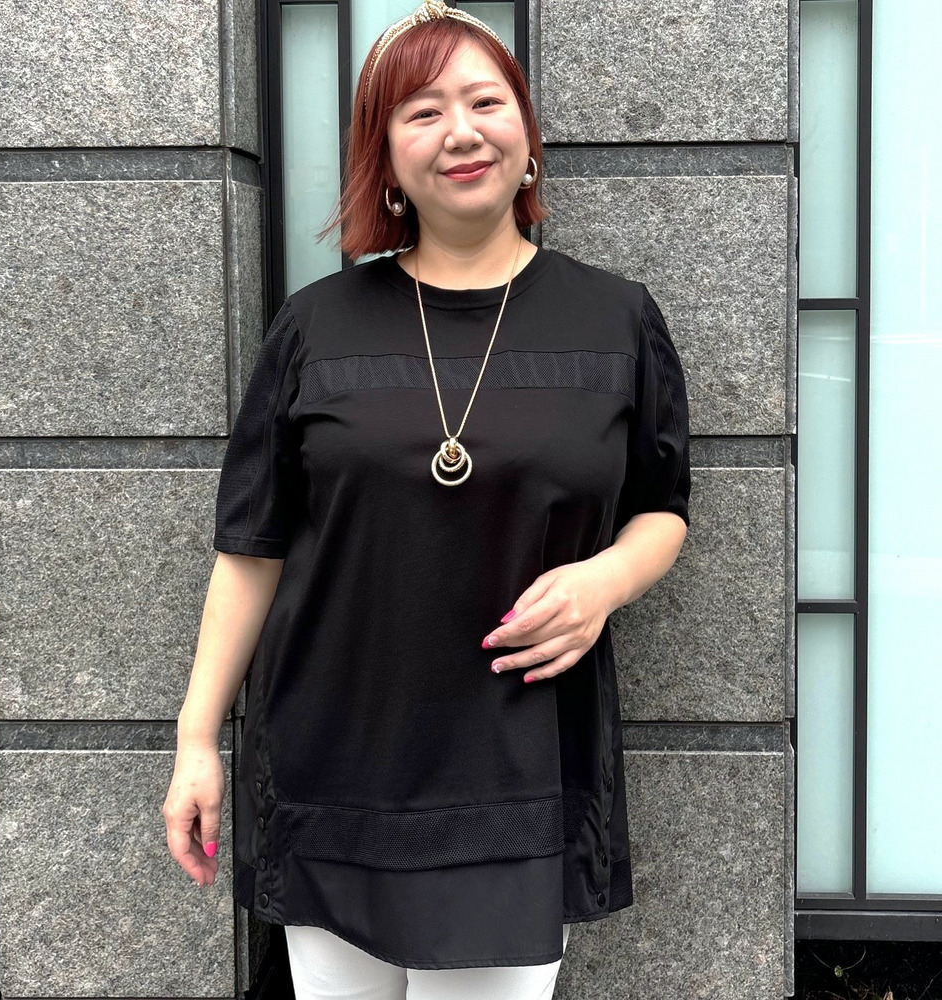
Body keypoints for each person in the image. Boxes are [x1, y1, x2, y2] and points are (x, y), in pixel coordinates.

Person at [162, 1, 691, 997]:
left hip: (517, 763)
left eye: (485, 102)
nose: (461, 131)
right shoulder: (315, 327)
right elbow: (251, 547)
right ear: (385, 158)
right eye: (422, 111)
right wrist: (196, 741)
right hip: (333, 762)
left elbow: (664, 504)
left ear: (525, 135)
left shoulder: (615, 317)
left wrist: (606, 581)